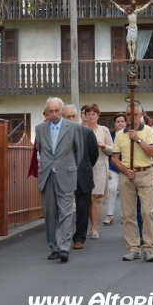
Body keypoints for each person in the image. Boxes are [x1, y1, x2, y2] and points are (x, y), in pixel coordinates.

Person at [34, 97, 83, 262]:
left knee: (66, 212)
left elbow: (79, 152)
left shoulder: (74, 127)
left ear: (62, 111)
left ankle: (63, 248)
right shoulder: (40, 128)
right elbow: (40, 152)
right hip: (47, 175)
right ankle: (54, 247)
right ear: (47, 112)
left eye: (56, 111)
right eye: (50, 111)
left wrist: (70, 168)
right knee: (50, 213)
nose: (53, 114)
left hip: (66, 174)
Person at [111, 102, 153, 262]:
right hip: (127, 176)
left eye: (134, 114)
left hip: (145, 173)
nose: (130, 117)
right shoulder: (119, 135)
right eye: (128, 114)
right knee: (128, 214)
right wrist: (124, 170)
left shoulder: (148, 131)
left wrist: (138, 139)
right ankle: (133, 248)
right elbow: (114, 157)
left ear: (140, 114)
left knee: (147, 212)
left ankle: (148, 248)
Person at [62, 105, 99, 250]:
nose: (71, 119)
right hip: (64, 176)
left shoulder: (87, 132)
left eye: (73, 116)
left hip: (83, 175)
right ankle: (63, 237)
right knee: (64, 209)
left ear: (77, 117)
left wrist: (84, 167)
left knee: (82, 209)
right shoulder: (59, 134)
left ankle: (79, 237)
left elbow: (93, 155)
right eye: (68, 116)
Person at [83, 103, 113, 238]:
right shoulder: (80, 129)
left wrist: (103, 146)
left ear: (98, 115)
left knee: (97, 197)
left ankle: (94, 228)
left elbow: (112, 149)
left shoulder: (104, 130)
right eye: (88, 114)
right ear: (85, 116)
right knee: (88, 198)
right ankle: (91, 223)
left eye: (93, 114)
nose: (91, 117)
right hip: (85, 166)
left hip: (100, 165)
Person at [104, 112, 127, 225]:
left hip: (126, 167)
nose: (120, 123)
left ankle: (124, 215)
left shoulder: (129, 134)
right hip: (113, 166)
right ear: (114, 123)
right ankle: (109, 215)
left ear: (126, 123)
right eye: (118, 121)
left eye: (122, 121)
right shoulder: (111, 135)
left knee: (125, 191)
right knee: (112, 189)